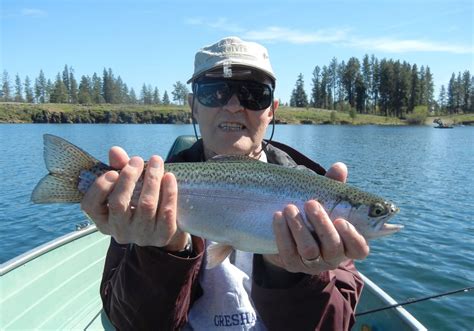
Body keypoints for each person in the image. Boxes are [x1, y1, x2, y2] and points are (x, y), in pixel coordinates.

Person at [81, 36, 369, 331]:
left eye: (253, 94)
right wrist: (160, 252)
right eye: (215, 92)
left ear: (271, 109)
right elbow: (130, 323)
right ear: (193, 106)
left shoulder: (315, 194)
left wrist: (297, 274)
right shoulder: (150, 196)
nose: (233, 106)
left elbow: (337, 324)